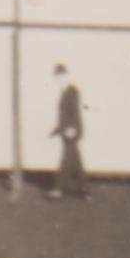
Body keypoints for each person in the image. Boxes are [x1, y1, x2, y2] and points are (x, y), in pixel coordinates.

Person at [51, 65, 89, 199]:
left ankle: (59, 189)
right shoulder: (64, 92)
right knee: (75, 161)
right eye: (57, 77)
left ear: (66, 76)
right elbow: (64, 115)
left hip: (71, 131)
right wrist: (56, 130)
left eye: (60, 76)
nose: (59, 80)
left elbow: (74, 112)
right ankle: (84, 189)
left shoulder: (72, 91)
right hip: (67, 131)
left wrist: (73, 129)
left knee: (66, 160)